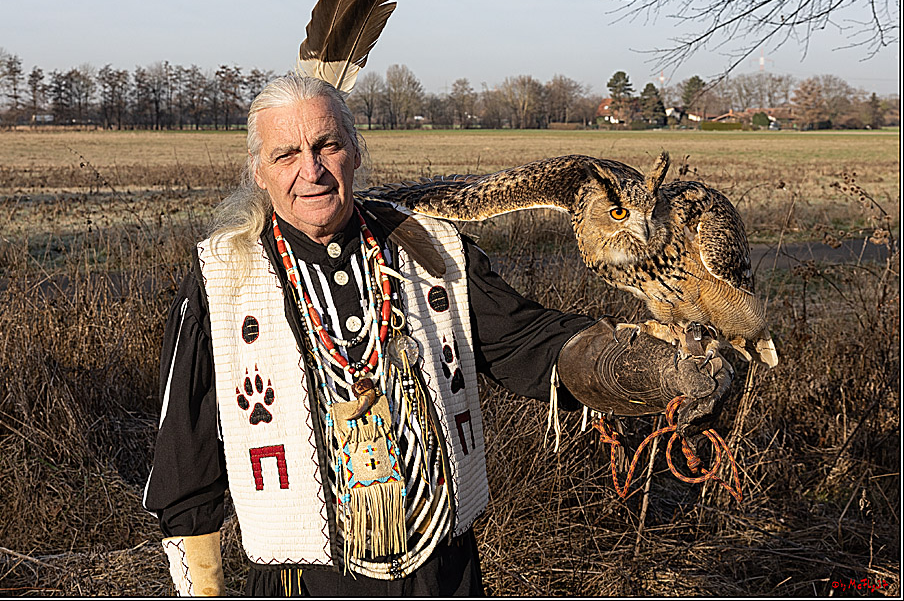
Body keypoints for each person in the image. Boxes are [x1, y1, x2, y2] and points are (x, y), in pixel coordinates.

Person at [143, 75, 731, 596]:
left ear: (355, 151)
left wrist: (641, 366)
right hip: (300, 579)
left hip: (442, 574)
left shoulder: (435, 250)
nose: (311, 171)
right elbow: (185, 458)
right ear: (258, 171)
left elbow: (527, 341)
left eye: (327, 145)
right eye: (286, 154)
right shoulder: (219, 280)